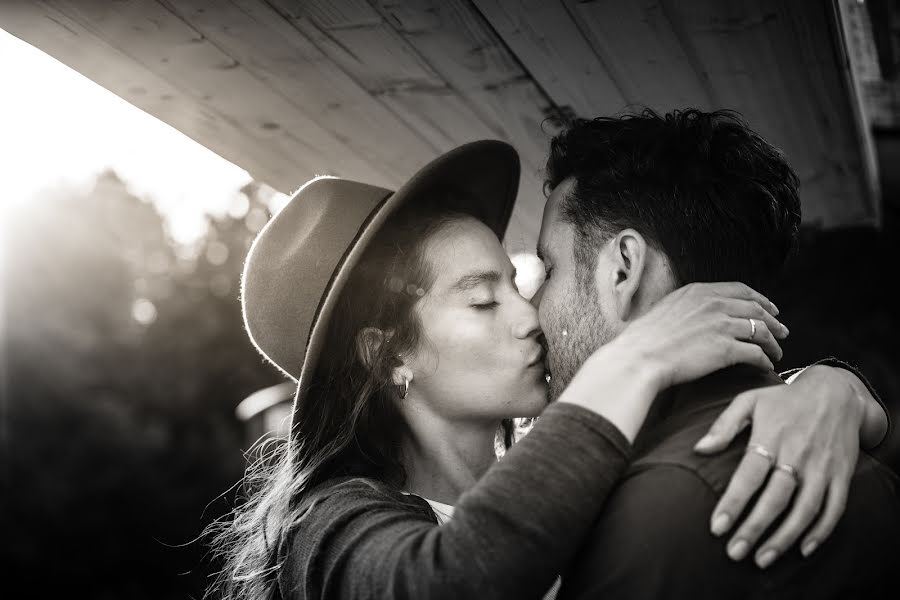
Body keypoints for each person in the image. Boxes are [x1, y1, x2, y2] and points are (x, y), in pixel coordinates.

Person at [210, 141, 887, 600]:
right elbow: (455, 580)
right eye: (483, 299)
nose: (530, 315)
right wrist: (640, 351)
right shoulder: (325, 524)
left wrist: (830, 389)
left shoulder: (561, 468)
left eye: (521, 280)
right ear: (390, 354)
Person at [524, 110, 900, 600]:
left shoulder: (657, 511)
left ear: (623, 271)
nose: (531, 311)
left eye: (548, 270)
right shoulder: (857, 462)